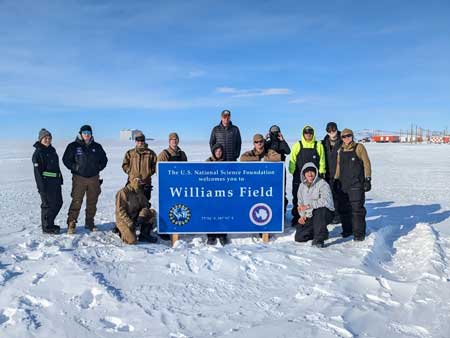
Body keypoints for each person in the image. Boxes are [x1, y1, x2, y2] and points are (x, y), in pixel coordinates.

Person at [63, 125, 108, 234]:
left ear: (91, 134)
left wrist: (98, 168)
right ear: (81, 134)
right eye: (84, 132)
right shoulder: (73, 146)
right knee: (77, 200)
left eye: (89, 132)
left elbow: (104, 160)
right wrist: (75, 168)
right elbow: (66, 160)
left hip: (94, 178)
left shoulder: (97, 146)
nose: (87, 134)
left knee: (92, 201)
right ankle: (71, 222)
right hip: (79, 178)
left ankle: (89, 222)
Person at [334, 128, 372, 241]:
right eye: (344, 136)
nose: (346, 138)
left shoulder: (359, 147)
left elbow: (366, 163)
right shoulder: (340, 150)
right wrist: (336, 179)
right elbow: (338, 166)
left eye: (348, 136)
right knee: (344, 209)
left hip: (356, 183)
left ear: (352, 136)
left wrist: (368, 178)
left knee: (357, 210)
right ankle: (347, 230)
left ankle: (359, 234)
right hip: (343, 183)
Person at [289, 125, 326, 225]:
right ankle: (297, 217)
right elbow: (292, 159)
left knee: (314, 197)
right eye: (306, 133)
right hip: (299, 176)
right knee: (297, 197)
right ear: (303, 134)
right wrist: (292, 170)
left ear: (313, 134)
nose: (308, 135)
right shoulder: (298, 145)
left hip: (313, 177)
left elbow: (322, 159)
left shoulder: (318, 145)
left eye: (310, 133)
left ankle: (313, 217)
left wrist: (322, 170)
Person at [295, 162, 334, 247]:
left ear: (315, 173)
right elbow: (300, 203)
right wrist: (302, 215)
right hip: (309, 215)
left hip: (325, 214)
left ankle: (319, 240)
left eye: (312, 171)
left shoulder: (322, 184)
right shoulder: (301, 186)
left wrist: (309, 205)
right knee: (299, 237)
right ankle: (321, 231)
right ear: (304, 173)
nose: (310, 174)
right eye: (307, 172)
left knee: (320, 210)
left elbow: (326, 201)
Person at [32, 128, 63, 234]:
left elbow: (56, 167)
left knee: (58, 202)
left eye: (49, 138)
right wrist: (41, 188)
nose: (48, 140)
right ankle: (47, 227)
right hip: (46, 184)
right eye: (45, 138)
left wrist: (60, 179)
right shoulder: (38, 153)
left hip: (56, 182)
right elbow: (37, 173)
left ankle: (49, 222)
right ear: (40, 139)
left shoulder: (52, 151)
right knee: (47, 205)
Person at [115, 176, 158, 244]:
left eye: (141, 182)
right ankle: (121, 231)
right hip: (124, 219)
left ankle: (144, 234)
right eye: (138, 182)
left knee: (151, 212)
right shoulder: (123, 192)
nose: (140, 184)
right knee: (132, 240)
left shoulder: (139, 191)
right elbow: (120, 211)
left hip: (135, 216)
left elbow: (146, 206)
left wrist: (141, 216)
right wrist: (129, 222)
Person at [122, 130, 157, 201]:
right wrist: (130, 171)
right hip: (132, 183)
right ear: (135, 141)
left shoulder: (150, 153)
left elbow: (155, 165)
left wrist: (149, 172)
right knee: (132, 203)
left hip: (146, 183)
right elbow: (125, 164)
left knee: (145, 203)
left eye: (142, 141)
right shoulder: (130, 153)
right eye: (138, 141)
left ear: (144, 141)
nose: (140, 143)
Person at [264, 125, 291, 212]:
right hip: (269, 170)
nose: (275, 133)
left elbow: (288, 151)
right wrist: (265, 139)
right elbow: (261, 150)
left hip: (281, 170)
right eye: (273, 132)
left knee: (282, 191)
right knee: (270, 190)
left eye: (277, 132)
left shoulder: (281, 143)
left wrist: (282, 140)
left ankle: (282, 212)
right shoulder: (268, 143)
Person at [205, 143, 227, 245]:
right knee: (210, 213)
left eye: (220, 151)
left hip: (223, 192)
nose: (218, 152)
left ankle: (222, 234)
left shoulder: (226, 163)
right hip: (210, 193)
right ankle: (211, 235)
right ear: (213, 152)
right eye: (217, 151)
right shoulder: (207, 162)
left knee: (223, 213)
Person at [322, 122, 343, 224]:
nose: (331, 132)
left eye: (333, 130)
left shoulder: (343, 140)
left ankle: (339, 216)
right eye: (329, 130)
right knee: (329, 195)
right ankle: (331, 215)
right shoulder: (324, 142)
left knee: (340, 195)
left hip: (340, 172)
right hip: (328, 173)